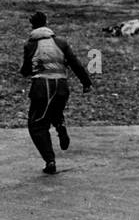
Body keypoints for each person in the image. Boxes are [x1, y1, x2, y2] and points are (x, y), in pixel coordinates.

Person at [20, 11, 92, 175]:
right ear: (47, 22)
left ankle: (50, 160)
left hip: (42, 87)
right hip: (62, 86)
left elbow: (26, 69)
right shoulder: (60, 42)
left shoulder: (30, 44)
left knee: (37, 124)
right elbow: (75, 63)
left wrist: (25, 71)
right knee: (54, 110)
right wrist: (86, 83)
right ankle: (60, 124)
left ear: (32, 25)